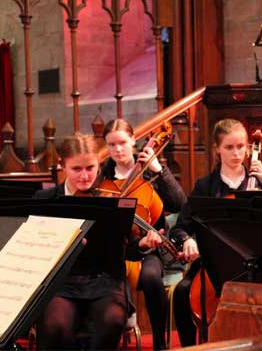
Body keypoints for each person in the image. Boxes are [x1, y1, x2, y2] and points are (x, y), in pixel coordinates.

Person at [34, 134, 163, 350]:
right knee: (55, 325)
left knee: (112, 320)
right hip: (61, 283)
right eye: (76, 169)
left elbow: (127, 250)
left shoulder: (111, 199)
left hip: (105, 281)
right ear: (62, 165)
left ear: (98, 163)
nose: (85, 176)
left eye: (90, 168)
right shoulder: (45, 199)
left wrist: (142, 245)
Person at [169, 118, 262, 346]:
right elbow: (181, 227)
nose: (236, 153)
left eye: (241, 146)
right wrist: (188, 240)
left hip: (253, 265)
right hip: (212, 266)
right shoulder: (205, 187)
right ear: (217, 150)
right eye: (229, 147)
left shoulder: (259, 184)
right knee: (182, 292)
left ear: (249, 148)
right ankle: (191, 348)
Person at [102, 119, 187, 350]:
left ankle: (159, 342)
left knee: (150, 276)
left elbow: (179, 204)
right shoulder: (102, 179)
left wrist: (160, 171)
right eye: (111, 145)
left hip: (152, 248)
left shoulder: (150, 171)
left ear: (133, 140)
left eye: (122, 143)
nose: (118, 150)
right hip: (118, 250)